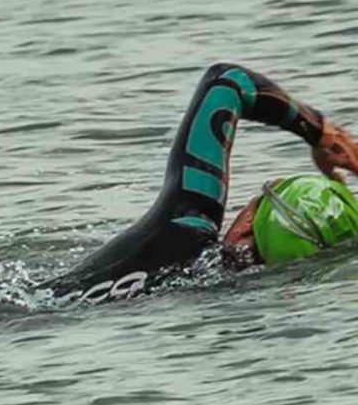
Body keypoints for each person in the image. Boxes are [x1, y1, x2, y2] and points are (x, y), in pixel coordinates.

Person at [44, 62, 358, 303]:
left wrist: (318, 131)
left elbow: (227, 82)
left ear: (249, 218)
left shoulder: (185, 225)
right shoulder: (236, 300)